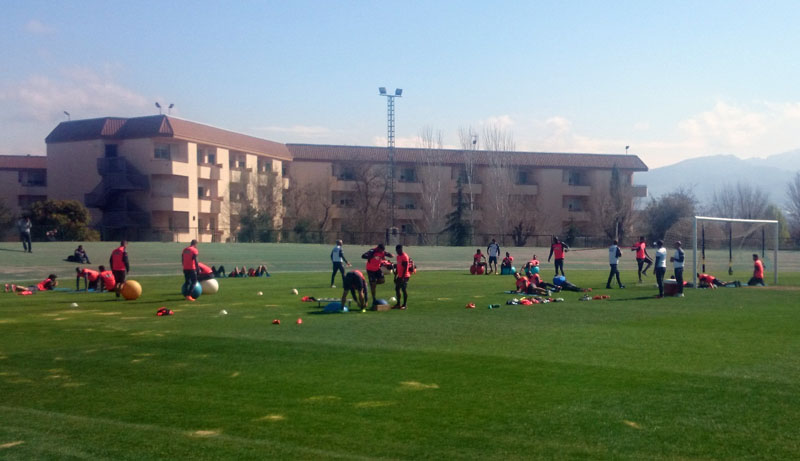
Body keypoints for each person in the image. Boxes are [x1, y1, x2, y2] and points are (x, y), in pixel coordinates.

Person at [393, 244, 412, 309]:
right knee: (397, 288)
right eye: (398, 250)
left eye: (400, 250)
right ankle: (398, 304)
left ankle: (405, 305)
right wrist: (395, 276)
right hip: (400, 275)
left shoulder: (405, 256)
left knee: (404, 289)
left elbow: (406, 267)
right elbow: (398, 267)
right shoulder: (398, 256)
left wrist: (403, 277)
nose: (399, 251)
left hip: (405, 276)